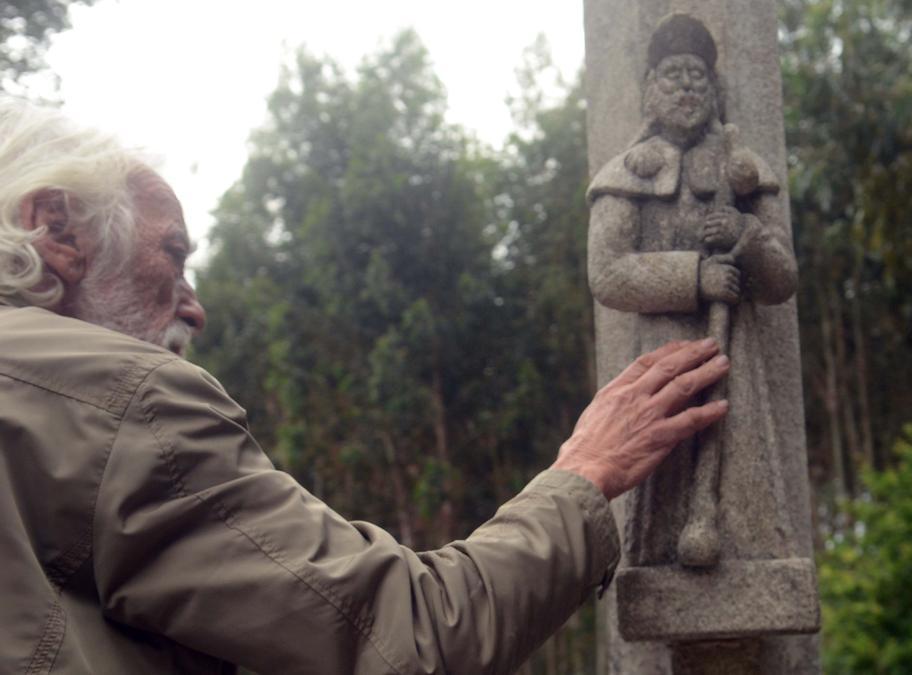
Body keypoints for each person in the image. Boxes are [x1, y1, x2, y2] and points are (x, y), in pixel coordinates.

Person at [0, 98, 729, 674]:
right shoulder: (124, 401)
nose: (195, 305)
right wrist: (585, 472)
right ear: (55, 229)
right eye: (173, 255)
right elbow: (414, 635)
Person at [587, 14, 803, 569]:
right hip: (663, 360)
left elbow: (781, 281)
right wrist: (693, 276)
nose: (686, 87)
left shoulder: (744, 171)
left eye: (697, 77)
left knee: (743, 484)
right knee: (665, 477)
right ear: (648, 91)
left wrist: (747, 237)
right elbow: (607, 273)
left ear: (716, 90)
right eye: (672, 75)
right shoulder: (625, 175)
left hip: (736, 363)